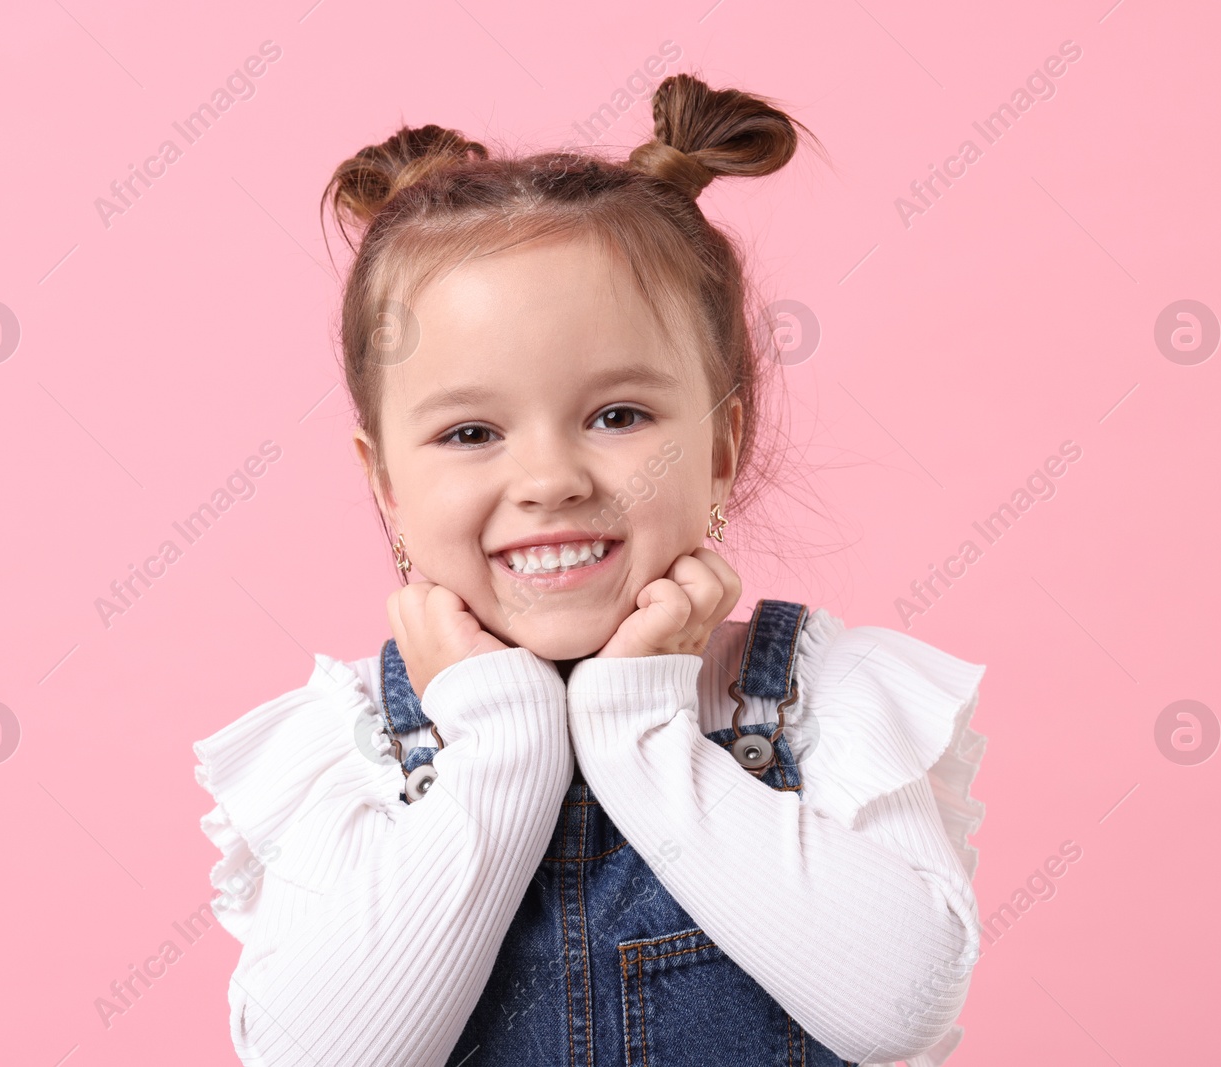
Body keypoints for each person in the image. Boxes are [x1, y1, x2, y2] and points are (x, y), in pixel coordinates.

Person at [192, 72, 988, 1067]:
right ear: (386, 484)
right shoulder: (351, 748)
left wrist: (643, 728)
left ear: (718, 447)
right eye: (470, 430)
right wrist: (503, 746)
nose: (549, 480)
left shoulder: (822, 699)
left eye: (617, 416)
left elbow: (894, 1007)